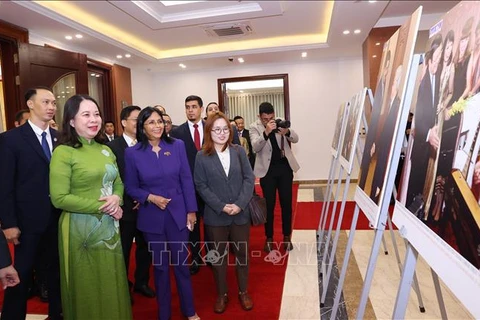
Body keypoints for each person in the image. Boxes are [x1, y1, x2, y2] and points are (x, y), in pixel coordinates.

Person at [50, 94, 132, 319]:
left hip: (110, 228)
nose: (93, 119)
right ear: (71, 121)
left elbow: (118, 182)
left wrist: (117, 198)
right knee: (86, 285)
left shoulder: (105, 149)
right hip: (79, 230)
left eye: (96, 114)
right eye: (86, 114)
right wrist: (104, 207)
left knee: (110, 279)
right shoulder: (63, 152)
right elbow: (59, 198)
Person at [124, 107, 200, 320]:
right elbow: (130, 187)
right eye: (151, 122)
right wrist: (149, 197)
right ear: (142, 127)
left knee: (181, 266)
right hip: (152, 218)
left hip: (178, 215)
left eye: (160, 121)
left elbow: (186, 179)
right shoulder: (132, 153)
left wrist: (191, 211)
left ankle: (189, 310)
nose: (157, 126)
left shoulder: (177, 146)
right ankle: (164, 314)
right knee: (160, 269)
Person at [0, 86, 62, 320]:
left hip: (56, 219)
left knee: (56, 274)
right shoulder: (10, 140)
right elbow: (4, 185)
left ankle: (57, 315)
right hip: (26, 223)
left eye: (54, 103)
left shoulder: (60, 138)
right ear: (30, 104)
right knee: (21, 276)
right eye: (46, 102)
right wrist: (9, 223)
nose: (51, 107)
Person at [194, 112, 255, 314]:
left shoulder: (238, 151)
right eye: (216, 129)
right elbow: (201, 185)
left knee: (242, 255)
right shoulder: (201, 156)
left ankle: (243, 291)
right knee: (218, 258)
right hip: (216, 216)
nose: (221, 133)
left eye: (225, 129)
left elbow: (249, 178)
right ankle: (222, 294)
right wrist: (221, 206)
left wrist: (239, 204)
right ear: (209, 132)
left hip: (240, 214)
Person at [108, 105, 155, 302]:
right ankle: (123, 285)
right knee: (124, 250)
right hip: (125, 209)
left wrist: (143, 197)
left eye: (141, 120)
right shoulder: (112, 148)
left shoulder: (148, 144)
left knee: (146, 248)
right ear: (124, 122)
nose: (139, 123)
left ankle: (142, 282)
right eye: (135, 119)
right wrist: (131, 199)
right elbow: (113, 179)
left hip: (146, 206)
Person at [250, 102, 299, 252]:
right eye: (265, 119)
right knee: (269, 206)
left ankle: (286, 237)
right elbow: (255, 147)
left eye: (271, 117)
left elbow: (295, 138)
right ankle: (269, 238)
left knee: (286, 204)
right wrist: (266, 132)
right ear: (260, 116)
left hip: (284, 168)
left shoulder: (279, 121)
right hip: (267, 172)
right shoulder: (254, 127)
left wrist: (287, 132)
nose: (269, 121)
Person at [406, 34, 443, 214]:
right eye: (434, 60)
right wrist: (429, 133)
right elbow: (416, 116)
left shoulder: (438, 79)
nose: (437, 65)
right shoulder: (421, 83)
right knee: (414, 192)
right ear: (428, 60)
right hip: (421, 148)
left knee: (425, 193)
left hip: (431, 149)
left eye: (439, 60)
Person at [170, 95, 206, 275]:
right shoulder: (177, 133)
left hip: (210, 186)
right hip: (188, 187)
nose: (190, 110)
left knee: (211, 225)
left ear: (201, 108)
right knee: (192, 224)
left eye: (193, 107)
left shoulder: (211, 128)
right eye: (187, 107)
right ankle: (196, 257)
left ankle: (213, 256)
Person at [369, 64, 403, 203]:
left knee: (382, 179)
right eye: (393, 81)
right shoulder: (387, 105)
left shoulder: (398, 106)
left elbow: (390, 130)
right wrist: (375, 143)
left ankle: (379, 198)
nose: (393, 86)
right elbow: (383, 128)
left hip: (389, 150)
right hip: (382, 148)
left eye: (396, 81)